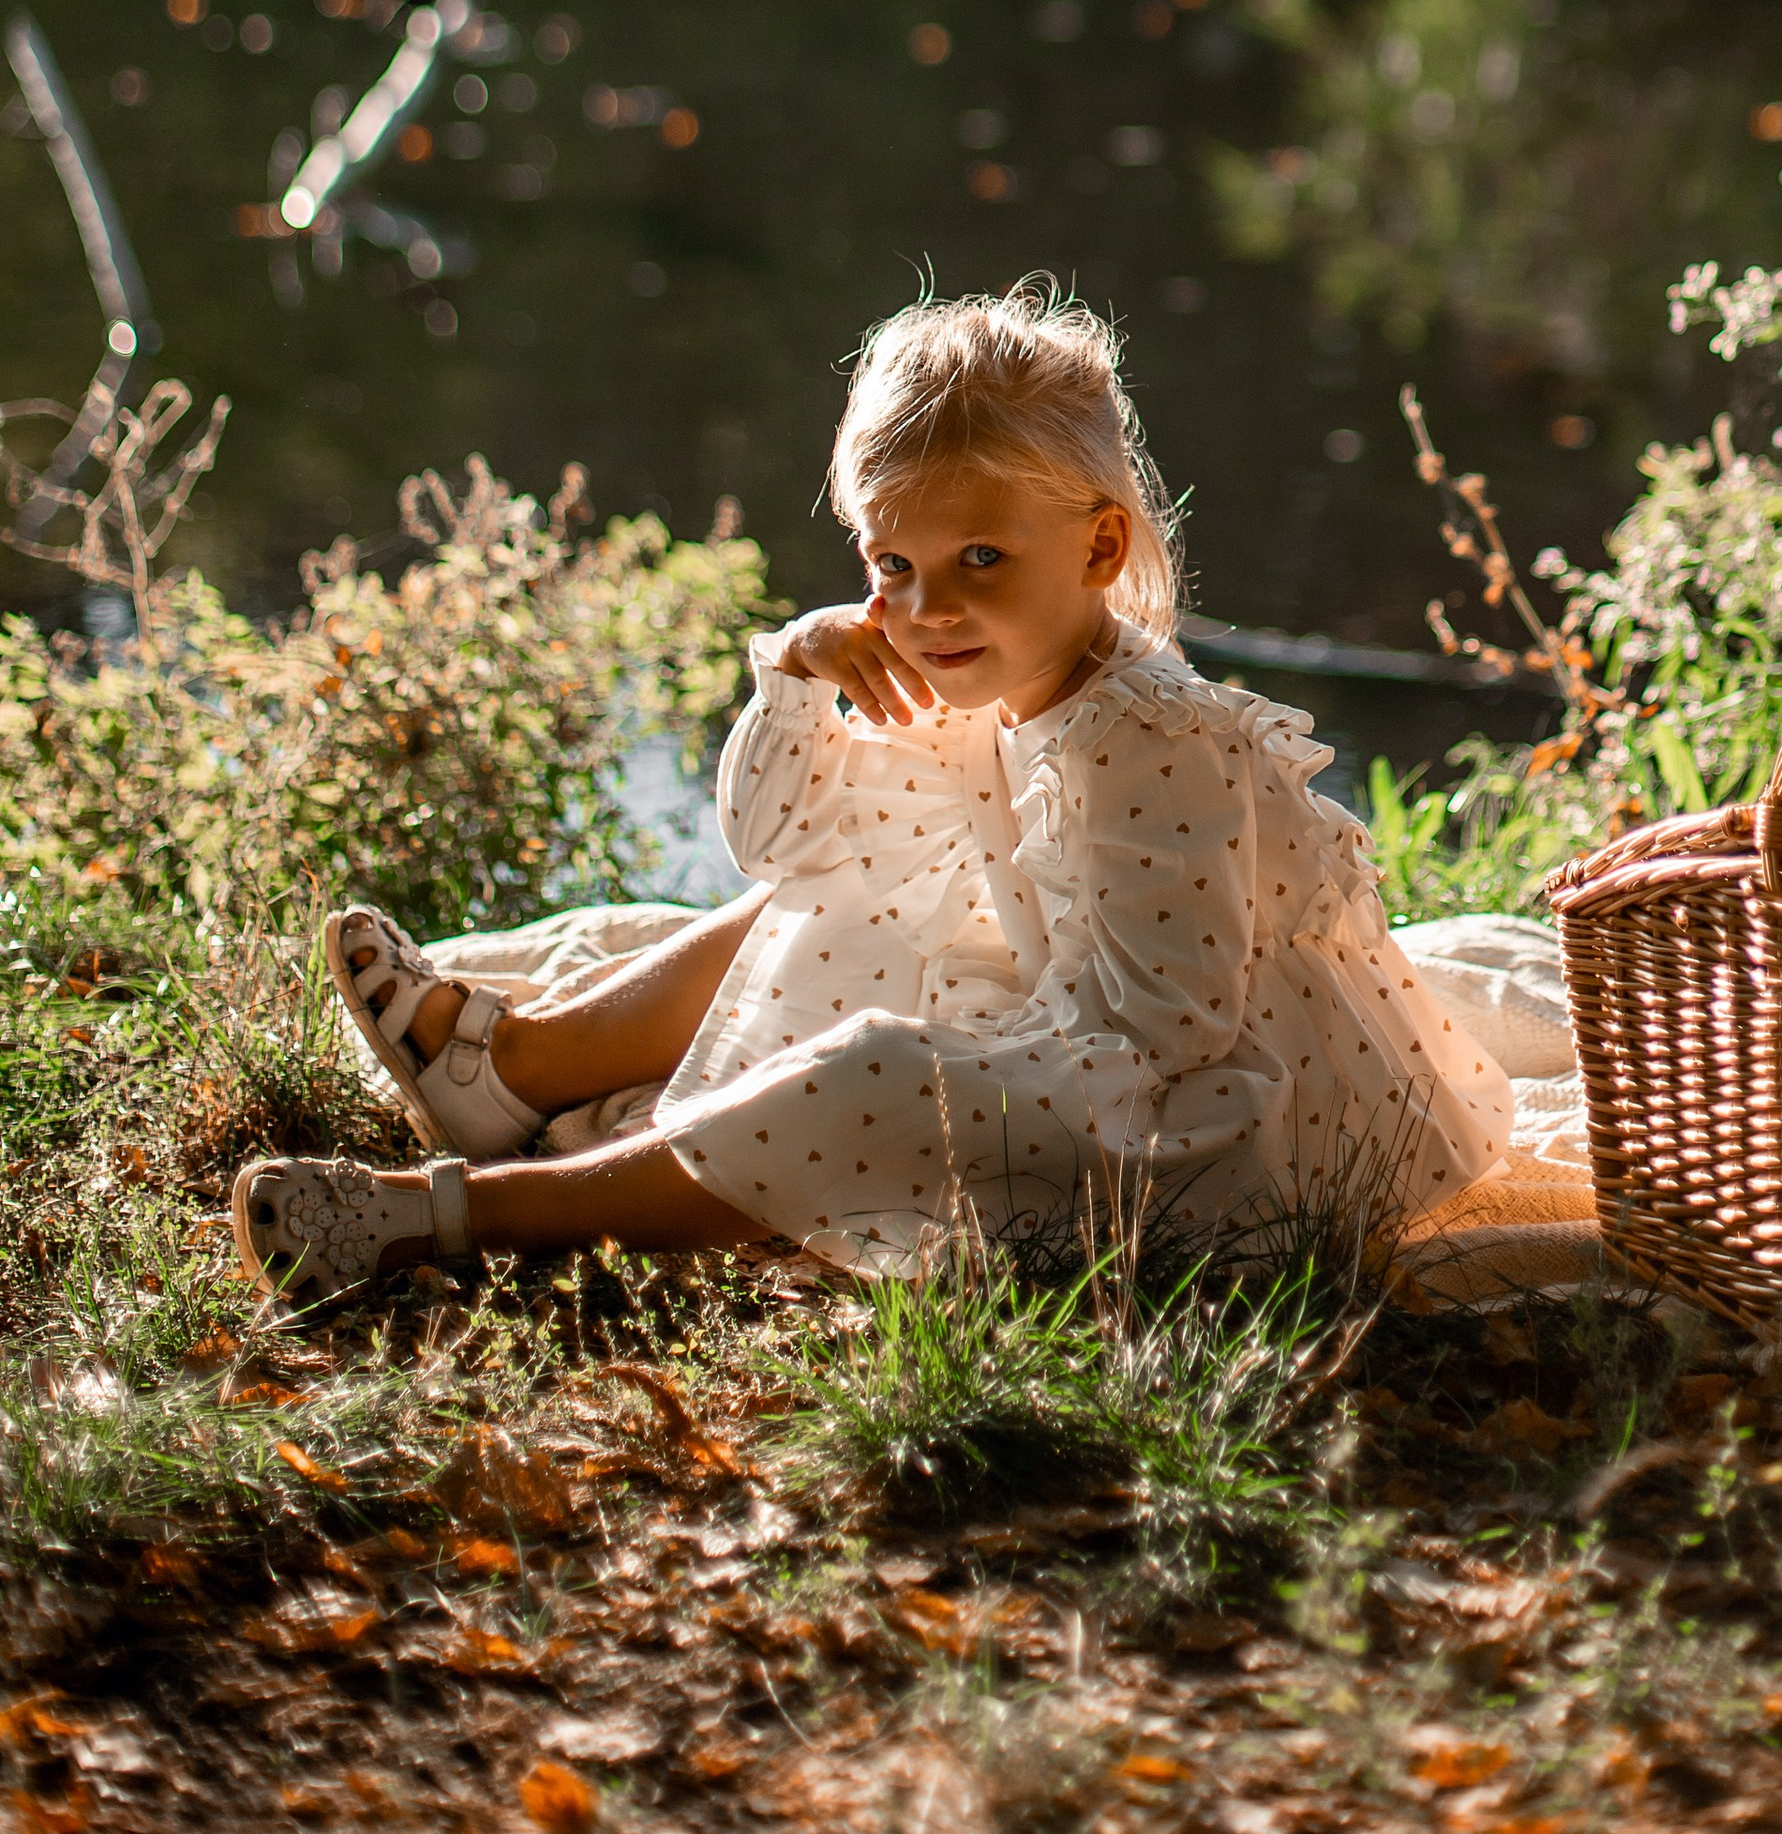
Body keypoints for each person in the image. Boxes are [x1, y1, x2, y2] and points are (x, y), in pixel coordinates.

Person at [234, 282, 1511, 1303]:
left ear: (1100, 545)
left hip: (1234, 1141)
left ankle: (456, 1218)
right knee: (850, 889)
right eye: (892, 560)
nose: (926, 606)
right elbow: (780, 849)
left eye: (979, 559)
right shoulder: (980, 673)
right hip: (1102, 1030)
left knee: (879, 1068)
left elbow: (1160, 1037)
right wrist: (797, 676)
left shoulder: (1153, 743)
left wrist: (945, 1050)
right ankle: (512, 1070)